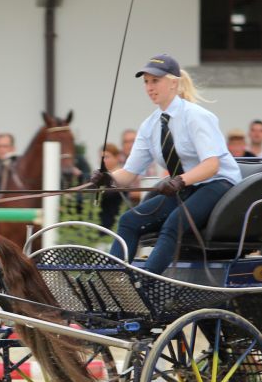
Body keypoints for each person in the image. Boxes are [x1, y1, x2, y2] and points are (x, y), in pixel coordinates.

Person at [90, 54, 242, 275]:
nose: (150, 87)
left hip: (217, 184)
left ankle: (147, 284)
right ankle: (112, 281)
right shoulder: (149, 125)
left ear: (173, 83)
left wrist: (179, 180)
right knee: (129, 221)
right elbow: (129, 173)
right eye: (146, 82)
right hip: (185, 187)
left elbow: (212, 166)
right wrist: (108, 178)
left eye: (155, 80)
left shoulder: (196, 116)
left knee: (174, 224)